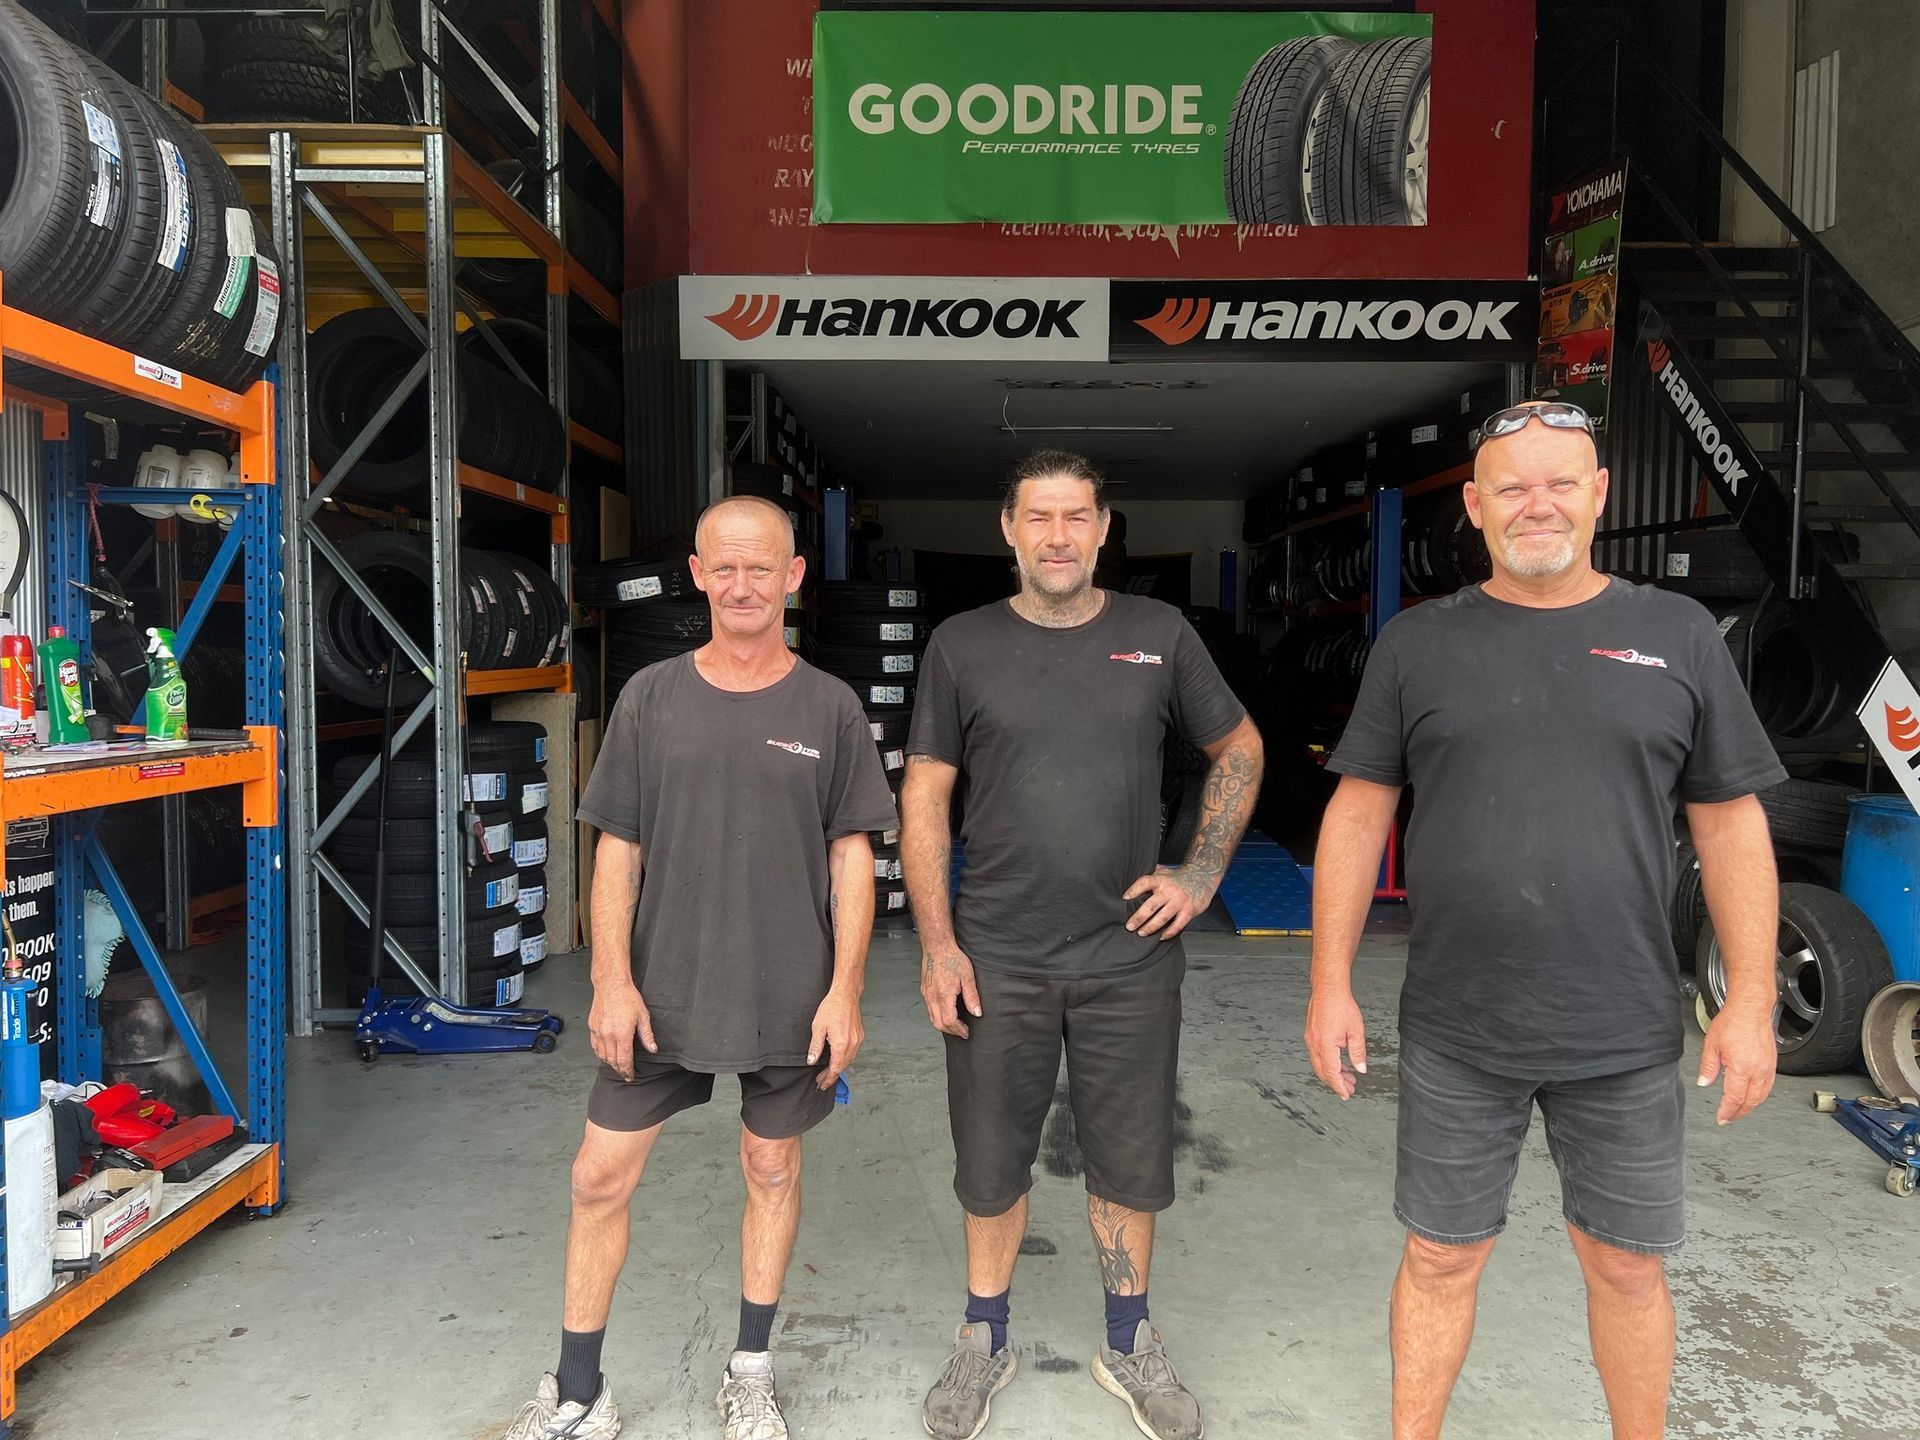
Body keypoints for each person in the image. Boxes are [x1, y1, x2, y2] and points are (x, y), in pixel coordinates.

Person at [1304, 401, 1784, 1440]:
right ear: (1474, 506)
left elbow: (1732, 819)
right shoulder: (1415, 642)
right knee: (1440, 1254)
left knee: (1623, 1264)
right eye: (1512, 487)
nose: (1539, 505)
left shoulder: (1678, 634)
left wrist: (1749, 998)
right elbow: (1358, 811)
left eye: (1562, 481)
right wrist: (1329, 983)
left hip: (1620, 1025)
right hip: (1456, 1026)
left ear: (1601, 493)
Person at [506, 496, 897, 1440]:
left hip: (789, 993)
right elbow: (616, 852)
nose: (743, 584)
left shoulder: (831, 707)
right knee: (599, 1175)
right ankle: (577, 1390)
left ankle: (751, 1371)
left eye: (762, 566)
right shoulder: (651, 697)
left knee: (770, 1166)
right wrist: (609, 980)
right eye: (724, 567)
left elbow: (854, 859)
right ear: (695, 574)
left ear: (795, 576)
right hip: (660, 992)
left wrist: (845, 992)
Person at [902, 449, 1265, 1440]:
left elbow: (1239, 746)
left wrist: (1200, 874)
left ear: (1104, 530)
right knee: (989, 1164)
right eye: (1039, 517)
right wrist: (937, 942)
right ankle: (984, 1338)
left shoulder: (1160, 633)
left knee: (1131, 1159)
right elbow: (925, 797)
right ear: (1008, 531)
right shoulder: (960, 646)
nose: (1058, 536)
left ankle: (1127, 1339)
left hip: (1127, 960)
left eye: (1076, 517)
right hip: (998, 957)